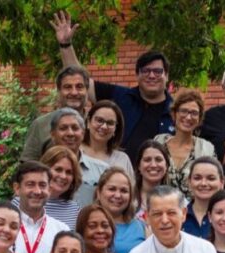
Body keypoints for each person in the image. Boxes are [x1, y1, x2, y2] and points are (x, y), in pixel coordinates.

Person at [53, 12, 174, 159]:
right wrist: (65, 45)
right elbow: (81, 81)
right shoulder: (120, 96)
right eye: (146, 71)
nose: (152, 75)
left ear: (166, 76)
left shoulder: (176, 112)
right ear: (137, 75)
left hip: (154, 178)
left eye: (158, 71)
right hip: (115, 176)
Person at [2, 161, 70, 253]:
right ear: (17, 188)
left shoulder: (62, 230)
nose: (37, 191)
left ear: (49, 189)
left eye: (42, 185)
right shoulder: (1, 228)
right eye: (30, 184)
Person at [154, 89, 216, 197]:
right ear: (174, 114)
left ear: (199, 118)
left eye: (194, 113)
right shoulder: (158, 142)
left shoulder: (206, 148)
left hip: (194, 211)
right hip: (161, 209)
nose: (188, 117)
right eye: (183, 111)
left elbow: (213, 184)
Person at [21, 65, 90, 162]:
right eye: (67, 87)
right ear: (59, 91)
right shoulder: (41, 125)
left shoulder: (98, 125)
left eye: (79, 87)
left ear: (87, 90)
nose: (74, 92)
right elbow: (28, 165)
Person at [50, 108, 109, 201]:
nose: (70, 133)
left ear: (83, 133)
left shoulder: (102, 171)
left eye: (75, 128)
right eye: (63, 128)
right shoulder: (42, 170)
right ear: (52, 134)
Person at [95, 167, 146, 253]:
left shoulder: (142, 227)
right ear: (99, 192)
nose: (118, 195)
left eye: (124, 191)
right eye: (112, 189)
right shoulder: (87, 225)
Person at [82, 100, 137, 185]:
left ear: (116, 129)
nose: (104, 126)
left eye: (110, 123)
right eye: (99, 120)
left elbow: (131, 194)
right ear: (88, 122)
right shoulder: (75, 153)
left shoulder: (122, 160)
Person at [39, 145, 83, 228]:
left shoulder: (75, 210)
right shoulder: (22, 203)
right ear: (44, 170)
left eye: (69, 172)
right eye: (58, 169)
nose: (63, 176)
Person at [183, 156, 225, 239]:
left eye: (211, 178)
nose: (203, 183)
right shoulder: (179, 216)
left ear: (222, 182)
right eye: (197, 178)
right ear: (189, 182)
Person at [134, 140, 171, 222]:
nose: (153, 165)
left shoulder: (177, 199)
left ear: (167, 166)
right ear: (139, 166)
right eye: (147, 160)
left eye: (158, 160)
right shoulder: (127, 199)